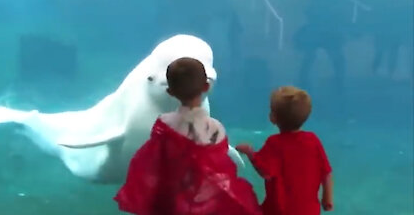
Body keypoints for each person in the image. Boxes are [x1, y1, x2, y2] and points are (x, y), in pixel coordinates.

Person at [115, 57, 262, 215]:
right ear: (206, 86)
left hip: (173, 197)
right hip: (204, 200)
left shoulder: (164, 123)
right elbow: (220, 162)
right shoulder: (214, 127)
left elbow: (154, 158)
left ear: (170, 91)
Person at [236, 86, 333, 215]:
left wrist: (250, 153)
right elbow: (326, 173)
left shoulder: (274, 143)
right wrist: (327, 198)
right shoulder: (313, 140)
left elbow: (266, 173)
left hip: (280, 210)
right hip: (309, 210)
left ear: (273, 118)